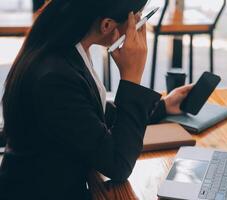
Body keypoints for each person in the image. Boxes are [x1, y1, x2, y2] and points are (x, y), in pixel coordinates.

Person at [0, 0, 192, 200]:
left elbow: (88, 117)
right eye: (138, 18)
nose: (140, 26)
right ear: (107, 25)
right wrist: (132, 76)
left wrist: (163, 107)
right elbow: (118, 164)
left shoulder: (65, 51)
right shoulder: (55, 77)